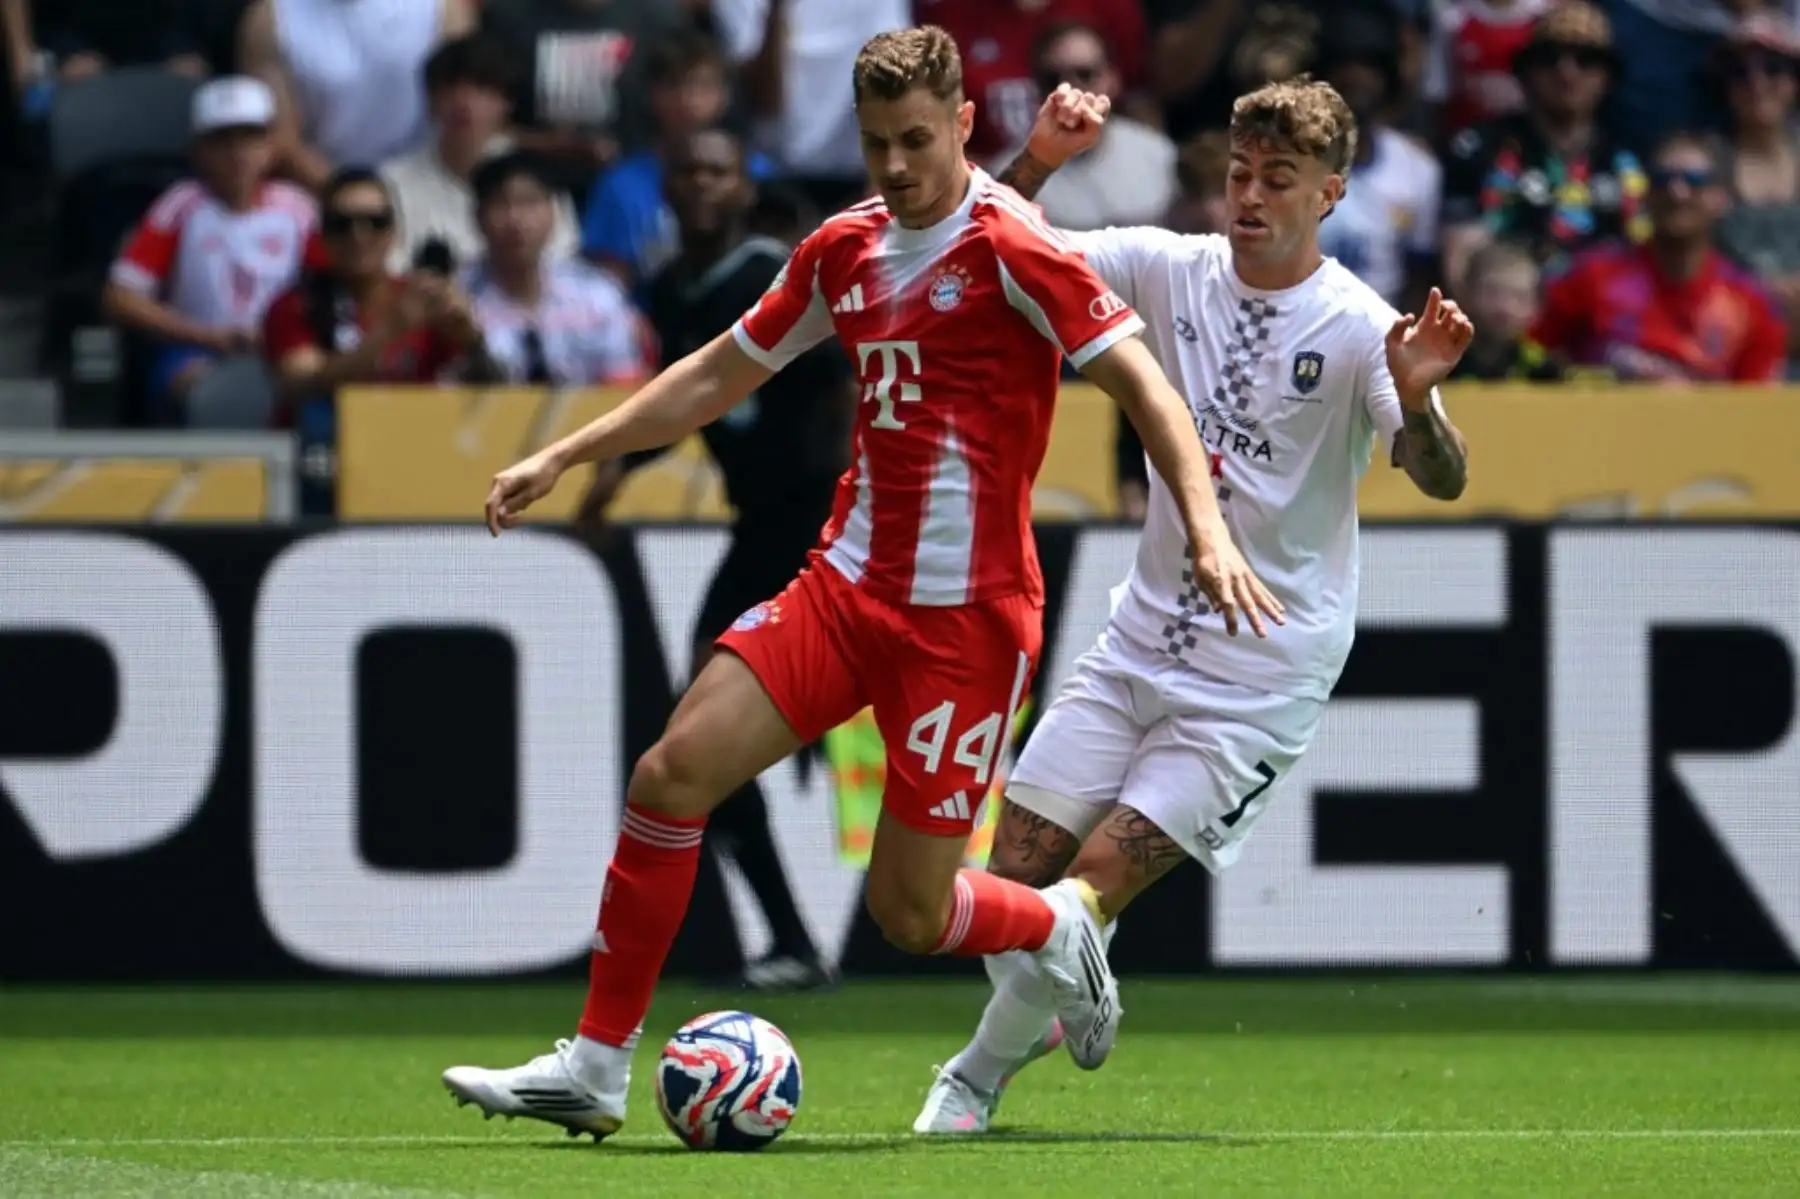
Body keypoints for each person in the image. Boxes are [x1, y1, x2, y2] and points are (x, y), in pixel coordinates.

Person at [441, 25, 1279, 1139]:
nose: (894, 164)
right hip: (844, 588)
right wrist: (566, 452)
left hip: (966, 624)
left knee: (909, 912)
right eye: (878, 142)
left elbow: (1148, 390)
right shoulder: (842, 248)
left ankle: (1057, 923)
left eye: (917, 140)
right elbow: (714, 374)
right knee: (671, 773)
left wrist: (1208, 532)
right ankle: (596, 1065)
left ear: (963, 125)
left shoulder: (1018, 247)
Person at [911, 75, 1473, 1135]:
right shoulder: (1165, 267)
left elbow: (1441, 476)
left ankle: (972, 1078)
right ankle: (1069, 984)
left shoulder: (1361, 326)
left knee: (1087, 889)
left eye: (1280, 179)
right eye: (1240, 173)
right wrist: (1040, 158)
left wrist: (1421, 396)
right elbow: (998, 247)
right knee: (1008, 884)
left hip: (1260, 669)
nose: (1251, 196)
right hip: (1140, 635)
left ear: (1331, 193)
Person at [578, 124, 853, 991]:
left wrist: (855, 501)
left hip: (818, 528)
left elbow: (845, 386)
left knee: (702, 732)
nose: (702, 183)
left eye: (718, 170)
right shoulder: (673, 288)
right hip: (758, 529)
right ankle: (793, 941)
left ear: (743, 187)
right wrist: (614, 474)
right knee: (695, 737)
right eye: (688, 169)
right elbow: (689, 398)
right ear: (666, 185)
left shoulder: (780, 275)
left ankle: (993, 926)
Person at [262, 168, 500, 513]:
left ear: (395, 232)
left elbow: (493, 388)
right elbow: (303, 383)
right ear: (322, 235)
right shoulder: (295, 306)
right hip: (326, 477)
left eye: (375, 222)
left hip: (422, 465)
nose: (359, 235)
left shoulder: (425, 297)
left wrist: (472, 340)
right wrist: (390, 332)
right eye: (342, 224)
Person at [102, 76, 314, 425]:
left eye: (250, 137)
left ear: (271, 144)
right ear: (197, 148)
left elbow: (328, 284)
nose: (237, 152)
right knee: (203, 389)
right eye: (222, 140)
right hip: (195, 349)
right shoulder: (180, 205)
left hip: (284, 349)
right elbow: (120, 298)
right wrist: (209, 336)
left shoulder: (299, 209)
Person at [1530, 131, 1790, 382]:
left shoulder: (1751, 301)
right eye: (1662, 179)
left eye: (1695, 180)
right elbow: (1530, 359)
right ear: (1645, 193)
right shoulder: (1589, 276)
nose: (1677, 193)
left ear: (1722, 198)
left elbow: (1761, 401)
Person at [1439, 2, 1649, 295]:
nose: (1567, 72)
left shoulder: (1631, 157)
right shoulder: (1478, 147)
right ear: (1527, 71)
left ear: (1607, 76)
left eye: (1586, 59)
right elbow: (1460, 269)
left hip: (1602, 315)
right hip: (1505, 312)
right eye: (1550, 58)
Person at [381, 32, 581, 275]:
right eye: (450, 89)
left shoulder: (536, 175)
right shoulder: (392, 182)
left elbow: (561, 257)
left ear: (507, 103)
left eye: (481, 88)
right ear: (431, 101)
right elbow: (390, 266)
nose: (464, 102)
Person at [237, 0, 475, 192]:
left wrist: (410, 194)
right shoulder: (272, 19)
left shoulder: (443, 9)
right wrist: (354, 197)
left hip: (430, 187)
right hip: (321, 196)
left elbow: (470, 107)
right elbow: (281, 139)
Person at [463, 152, 647, 387]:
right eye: (500, 204)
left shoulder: (597, 295)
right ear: (477, 216)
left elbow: (624, 383)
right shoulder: (458, 298)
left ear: (553, 212)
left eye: (529, 202)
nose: (515, 219)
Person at [997, 20, 1175, 231]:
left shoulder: (1157, 155)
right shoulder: (1011, 178)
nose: (1069, 89)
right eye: (1052, 79)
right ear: (1036, 86)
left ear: (1112, 80)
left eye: (1085, 74)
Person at [1446, 241, 1565, 381]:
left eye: (1519, 296)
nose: (1505, 307)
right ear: (1466, 295)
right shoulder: (1440, 360)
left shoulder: (1542, 369)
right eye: (1492, 292)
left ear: (1536, 306)